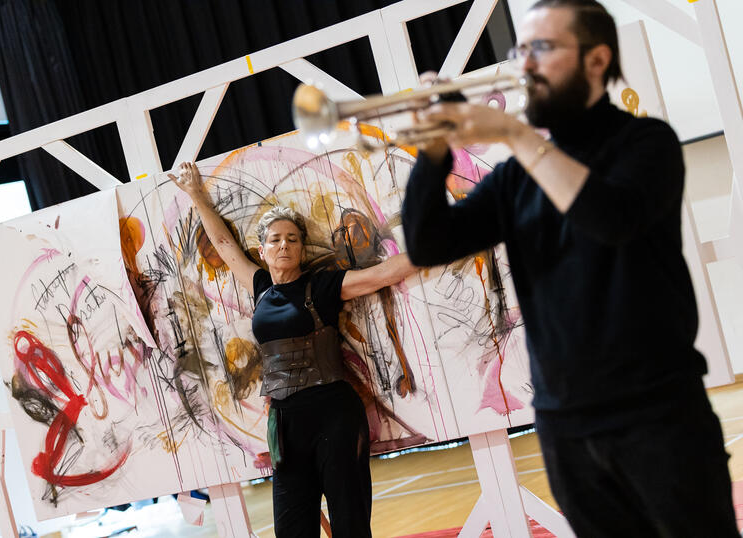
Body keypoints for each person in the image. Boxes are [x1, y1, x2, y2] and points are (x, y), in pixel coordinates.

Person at [401, 0, 738, 535]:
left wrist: (515, 136)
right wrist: (433, 149)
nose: (523, 65)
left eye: (541, 48)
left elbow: (609, 218)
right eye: (519, 49)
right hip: (566, 426)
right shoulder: (515, 178)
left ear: (596, 60)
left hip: (657, 414)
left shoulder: (646, 144)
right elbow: (426, 243)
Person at [170, 161, 416, 537]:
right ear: (262, 249)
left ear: (302, 248)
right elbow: (221, 243)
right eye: (275, 239)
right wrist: (196, 194)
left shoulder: (324, 286)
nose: (283, 245)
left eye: (292, 239)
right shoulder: (259, 286)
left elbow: (384, 274)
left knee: (350, 526)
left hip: (334, 413)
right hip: (285, 423)